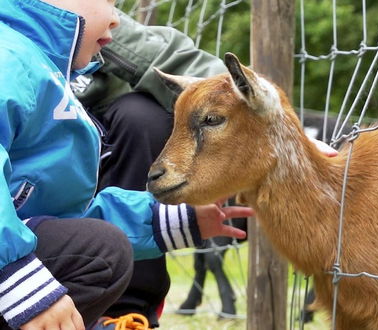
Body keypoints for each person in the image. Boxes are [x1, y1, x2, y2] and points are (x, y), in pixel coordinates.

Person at [0, 0, 255, 329]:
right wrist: (17, 279)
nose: (116, 19)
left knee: (98, 250)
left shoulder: (45, 70)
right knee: (99, 252)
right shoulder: (10, 60)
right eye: (107, 1)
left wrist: (171, 220)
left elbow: (59, 219)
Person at [73, 9, 233, 329]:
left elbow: (160, 54)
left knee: (140, 116)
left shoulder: (94, 23)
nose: (114, 16)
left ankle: (126, 315)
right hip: (25, 220)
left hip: (85, 163)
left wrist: (268, 125)